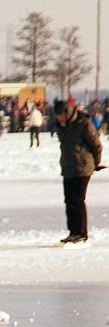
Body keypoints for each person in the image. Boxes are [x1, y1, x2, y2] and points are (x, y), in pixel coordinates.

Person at [54, 99, 103, 245]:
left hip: (83, 168)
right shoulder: (61, 126)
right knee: (69, 201)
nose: (58, 118)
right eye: (56, 115)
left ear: (67, 112)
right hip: (68, 168)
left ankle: (81, 233)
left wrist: (95, 163)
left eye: (60, 115)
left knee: (77, 201)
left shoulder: (83, 124)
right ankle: (73, 232)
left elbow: (96, 145)